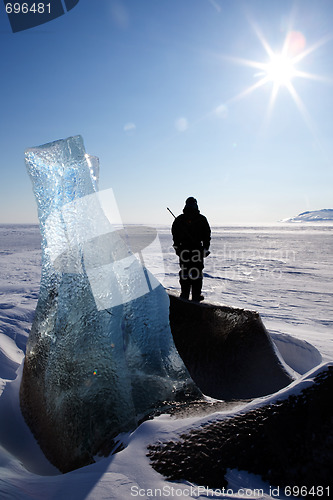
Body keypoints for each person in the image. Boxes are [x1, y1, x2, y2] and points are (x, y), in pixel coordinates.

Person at [171, 197, 211, 301]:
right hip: (197, 250)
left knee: (185, 272)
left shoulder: (179, 219)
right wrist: (205, 248)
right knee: (196, 272)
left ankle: (185, 294)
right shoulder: (202, 219)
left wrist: (177, 249)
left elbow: (175, 237)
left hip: (184, 250)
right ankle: (195, 296)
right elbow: (207, 236)